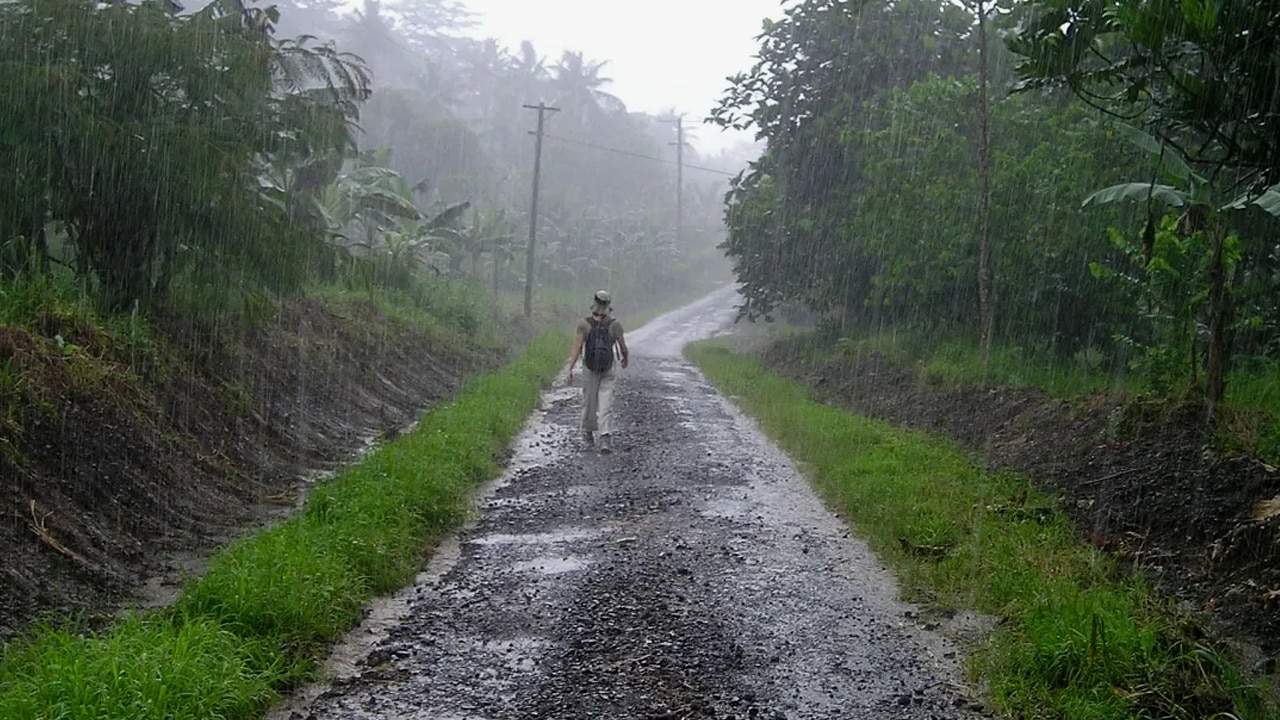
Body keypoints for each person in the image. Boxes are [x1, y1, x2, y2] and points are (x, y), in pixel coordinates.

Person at [567, 290, 629, 452]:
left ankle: (588, 435)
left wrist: (570, 368)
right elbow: (623, 348)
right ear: (608, 306)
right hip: (609, 367)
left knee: (589, 402)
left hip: (590, 367)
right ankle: (605, 438)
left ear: (594, 303)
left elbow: (577, 347)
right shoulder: (615, 324)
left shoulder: (584, 324)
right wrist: (624, 358)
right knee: (606, 403)